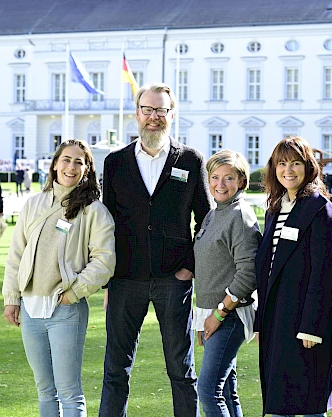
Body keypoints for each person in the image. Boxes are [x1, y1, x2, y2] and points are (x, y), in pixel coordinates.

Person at [99, 82, 212, 417]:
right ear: (137, 113)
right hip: (125, 279)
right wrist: (107, 281)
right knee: (115, 370)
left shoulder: (191, 160)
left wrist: (189, 268)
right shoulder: (116, 162)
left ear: (171, 115)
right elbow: (107, 223)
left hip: (172, 280)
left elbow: (205, 221)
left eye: (160, 110)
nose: (153, 117)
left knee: (181, 369)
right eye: (147, 110)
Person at [2, 139, 116, 417]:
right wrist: (11, 298)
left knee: (68, 391)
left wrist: (74, 292)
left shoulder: (94, 211)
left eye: (80, 161)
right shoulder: (33, 204)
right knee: (44, 389)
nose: (71, 166)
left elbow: (104, 260)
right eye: (66, 159)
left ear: (87, 169)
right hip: (30, 308)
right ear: (55, 164)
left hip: (66, 310)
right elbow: (16, 253)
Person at [255, 136, 332, 417]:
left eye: (295, 163)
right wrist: (259, 321)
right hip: (276, 317)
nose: (288, 170)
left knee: (309, 399)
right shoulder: (274, 209)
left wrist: (312, 326)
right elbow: (266, 269)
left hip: (304, 321)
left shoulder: (319, 209)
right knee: (279, 400)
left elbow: (323, 274)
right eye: (282, 163)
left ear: (308, 167)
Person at [193, 149, 261, 417]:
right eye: (215, 177)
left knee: (208, 391)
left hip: (229, 315)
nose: (220, 184)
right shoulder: (214, 213)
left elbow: (249, 272)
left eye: (229, 178)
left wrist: (218, 314)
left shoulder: (240, 215)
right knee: (226, 391)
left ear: (241, 181)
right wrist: (203, 317)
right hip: (212, 313)